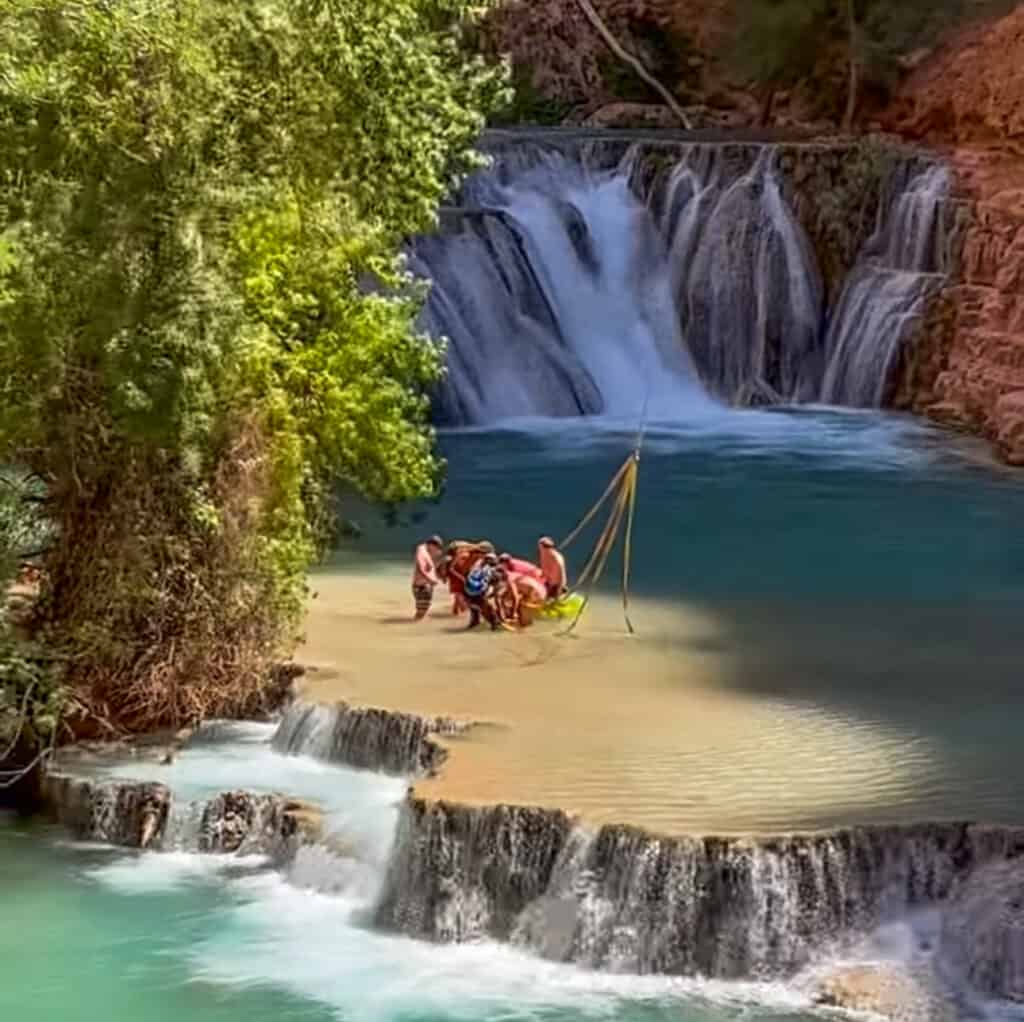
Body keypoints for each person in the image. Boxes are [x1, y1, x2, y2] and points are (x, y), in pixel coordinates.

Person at [464, 553, 501, 631]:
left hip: (467, 591)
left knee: (474, 607)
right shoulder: (493, 570)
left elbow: (467, 576)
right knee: (487, 608)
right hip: (478, 592)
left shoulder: (476, 566)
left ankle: (475, 621)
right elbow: (494, 591)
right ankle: (495, 623)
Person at [411, 535, 443, 621]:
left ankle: (415, 627)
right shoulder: (422, 550)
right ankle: (413, 629)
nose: (437, 550)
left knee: (421, 612)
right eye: (437, 547)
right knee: (421, 613)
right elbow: (420, 568)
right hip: (422, 586)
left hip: (425, 586)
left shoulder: (427, 552)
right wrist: (430, 580)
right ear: (432, 545)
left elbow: (431, 568)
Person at [537, 536, 567, 600]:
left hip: (555, 586)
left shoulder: (557, 559)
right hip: (548, 582)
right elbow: (544, 566)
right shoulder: (543, 553)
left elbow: (561, 576)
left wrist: (558, 589)